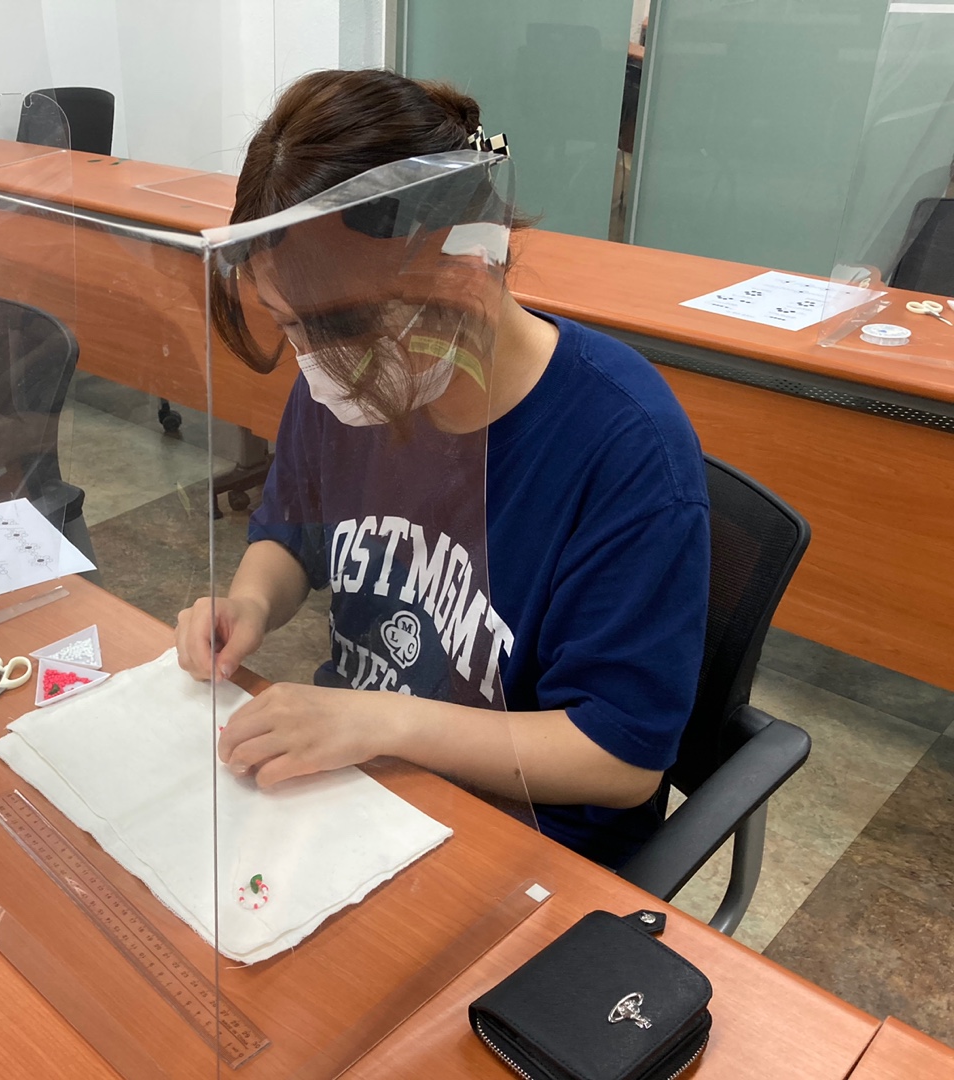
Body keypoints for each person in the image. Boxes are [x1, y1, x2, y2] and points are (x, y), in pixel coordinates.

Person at [174, 69, 709, 869]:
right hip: (364, 787)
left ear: (463, 278)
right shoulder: (356, 383)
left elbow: (621, 760)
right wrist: (248, 601)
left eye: (332, 329)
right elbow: (290, 533)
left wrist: (381, 723)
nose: (314, 366)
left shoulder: (624, 446)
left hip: (525, 838)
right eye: (289, 327)